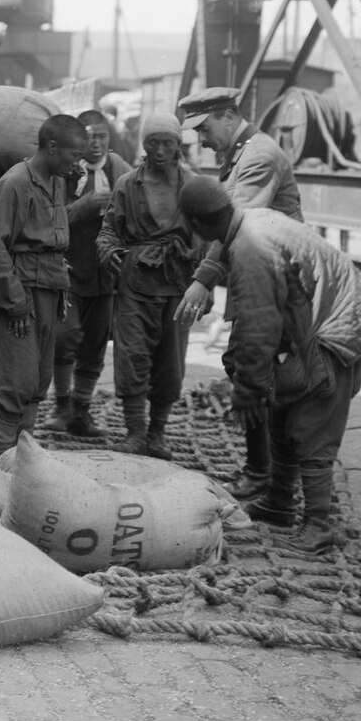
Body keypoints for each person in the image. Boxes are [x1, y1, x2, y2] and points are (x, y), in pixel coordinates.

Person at [178, 175, 361, 553]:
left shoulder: (251, 249)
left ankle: (319, 523)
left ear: (197, 224)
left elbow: (260, 329)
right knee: (283, 410)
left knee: (311, 425)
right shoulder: (252, 219)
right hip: (322, 320)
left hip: (334, 332)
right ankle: (279, 501)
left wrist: (248, 392)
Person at [175, 86, 304, 500]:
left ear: (228, 116)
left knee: (256, 371)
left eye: (205, 128)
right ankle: (270, 470)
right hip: (262, 272)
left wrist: (203, 278)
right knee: (249, 368)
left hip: (275, 283)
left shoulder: (258, 157)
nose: (203, 140)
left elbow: (232, 221)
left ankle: (266, 474)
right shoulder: (240, 153)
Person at [96, 112, 203, 460]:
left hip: (178, 284)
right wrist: (109, 249)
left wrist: (206, 282)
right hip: (135, 283)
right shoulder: (128, 184)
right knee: (131, 356)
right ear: (144, 145)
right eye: (152, 142)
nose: (159, 150)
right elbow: (110, 228)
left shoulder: (193, 186)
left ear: (178, 145)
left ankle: (157, 434)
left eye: (167, 143)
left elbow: (211, 236)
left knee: (171, 364)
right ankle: (135, 432)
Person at [0, 115, 86, 461]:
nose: (77, 162)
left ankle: (22, 461)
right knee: (14, 381)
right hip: (21, 293)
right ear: (52, 147)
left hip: (49, 289)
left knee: (38, 380)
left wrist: (61, 291)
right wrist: (15, 302)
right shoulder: (14, 184)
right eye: (73, 154)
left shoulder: (56, 180)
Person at [45, 109, 130, 435]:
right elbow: (47, 221)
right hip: (67, 270)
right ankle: (61, 406)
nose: (96, 144)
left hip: (104, 274)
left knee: (95, 342)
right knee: (65, 337)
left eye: (102, 137)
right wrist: (84, 206)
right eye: (90, 137)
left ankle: (81, 411)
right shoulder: (65, 172)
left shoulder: (119, 170)